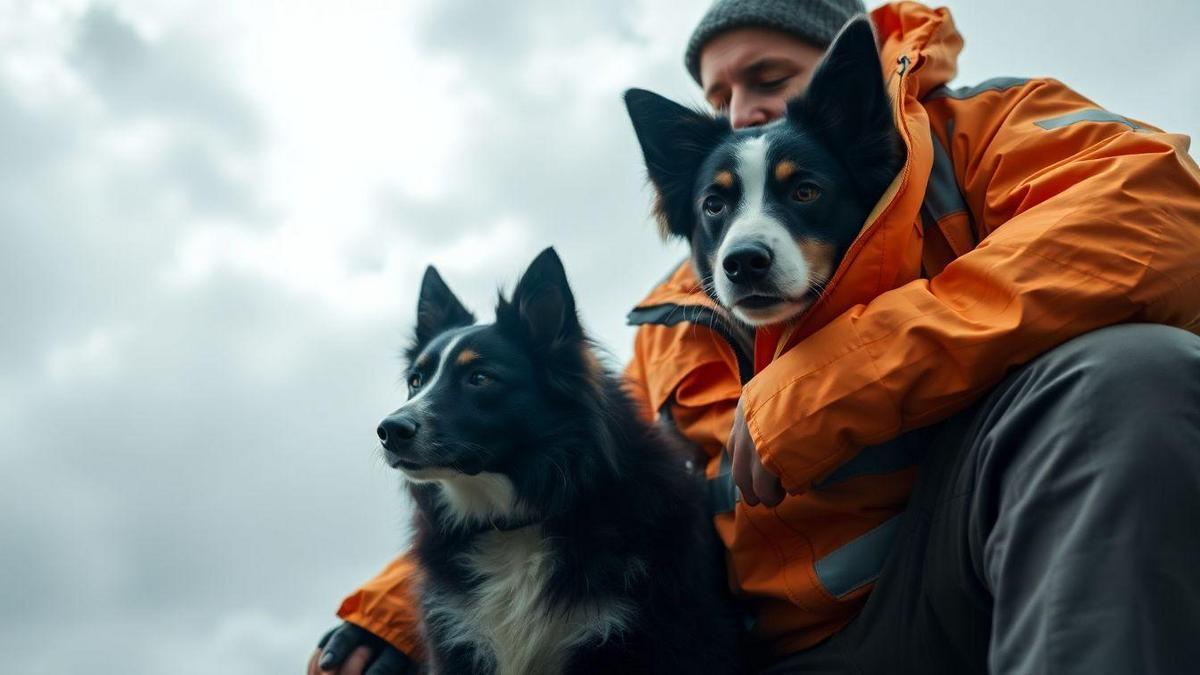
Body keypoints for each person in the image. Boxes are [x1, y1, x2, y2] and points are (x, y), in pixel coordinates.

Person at [309, 1, 1200, 673]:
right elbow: (578, 475)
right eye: (718, 94)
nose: (739, 111)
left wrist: (828, 385)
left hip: (976, 590)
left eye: (768, 79)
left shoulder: (987, 134)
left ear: (859, 74)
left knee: (1129, 375)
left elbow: (1161, 219)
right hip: (771, 650)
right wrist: (393, 614)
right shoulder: (673, 319)